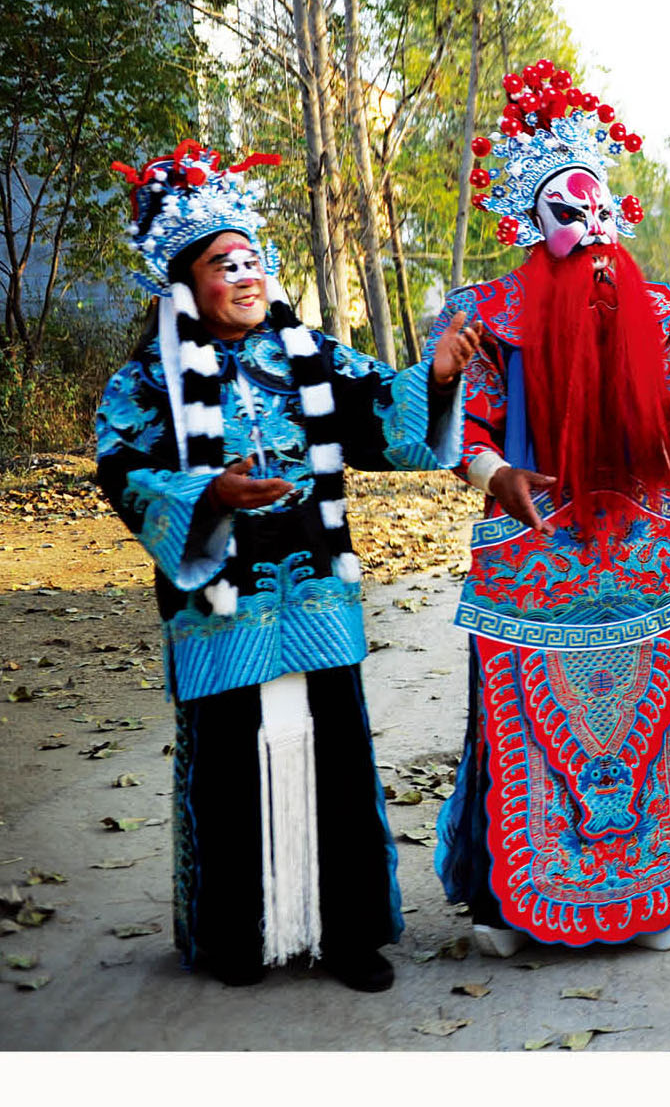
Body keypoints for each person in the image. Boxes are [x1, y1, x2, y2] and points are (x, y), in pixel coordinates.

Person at [96, 141, 477, 990]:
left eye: (252, 259)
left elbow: (384, 416)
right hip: (218, 608)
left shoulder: (309, 355)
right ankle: (233, 937)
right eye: (222, 264)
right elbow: (119, 466)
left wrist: (436, 377)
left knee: (338, 760)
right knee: (227, 765)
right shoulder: (145, 380)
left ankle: (350, 938)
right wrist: (212, 494)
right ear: (184, 282)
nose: (243, 275)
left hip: (315, 593)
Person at [427, 59, 670, 955]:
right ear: (532, 221)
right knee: (524, 724)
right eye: (570, 210)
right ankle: (509, 900)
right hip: (534, 541)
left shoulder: (655, 309)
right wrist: (494, 473)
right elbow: (464, 421)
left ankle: (652, 896)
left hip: (642, 545)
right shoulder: (488, 312)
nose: (594, 224)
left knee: (655, 717)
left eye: (602, 206)